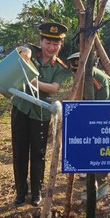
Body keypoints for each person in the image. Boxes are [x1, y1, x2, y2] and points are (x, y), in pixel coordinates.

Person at [11, 22, 71, 206]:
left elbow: (53, 88)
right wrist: (25, 53)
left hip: (41, 113)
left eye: (56, 44)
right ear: (41, 41)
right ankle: (21, 192)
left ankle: (36, 193)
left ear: (60, 45)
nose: (51, 48)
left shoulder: (60, 68)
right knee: (20, 151)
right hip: (21, 108)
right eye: (48, 43)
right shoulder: (31, 52)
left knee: (38, 153)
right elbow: (20, 50)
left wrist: (31, 80)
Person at [67, 52, 110, 200]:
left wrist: (94, 123)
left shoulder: (97, 78)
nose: (76, 73)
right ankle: (90, 173)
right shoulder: (78, 76)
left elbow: (106, 105)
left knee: (101, 146)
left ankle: (101, 183)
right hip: (90, 114)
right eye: (74, 70)